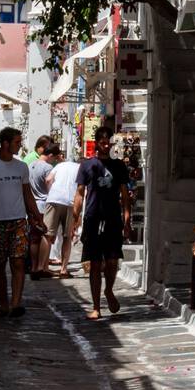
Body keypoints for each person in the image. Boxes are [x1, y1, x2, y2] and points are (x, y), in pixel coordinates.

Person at [71, 127, 131, 321]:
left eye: (109, 143)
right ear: (97, 143)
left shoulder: (119, 166)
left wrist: (127, 220)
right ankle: (96, 306)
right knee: (95, 263)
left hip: (113, 218)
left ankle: (109, 290)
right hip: (93, 218)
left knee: (112, 261)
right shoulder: (87, 165)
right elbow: (80, 193)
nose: (106, 146)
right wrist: (75, 218)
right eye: (103, 142)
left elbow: (124, 195)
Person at [0, 127, 46, 318]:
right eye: (17, 142)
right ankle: (4, 305)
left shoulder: (21, 167)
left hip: (19, 220)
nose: (20, 146)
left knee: (18, 263)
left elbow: (27, 194)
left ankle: (15, 304)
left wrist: (37, 217)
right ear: (5, 143)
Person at [43, 155, 79, 279]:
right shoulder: (79, 168)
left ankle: (43, 267)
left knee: (48, 235)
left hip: (53, 199)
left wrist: (50, 193)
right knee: (67, 236)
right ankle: (63, 270)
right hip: (70, 202)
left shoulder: (58, 166)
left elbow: (48, 180)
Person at [28, 141, 59, 278]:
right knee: (46, 237)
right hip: (44, 205)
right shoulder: (48, 168)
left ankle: (34, 267)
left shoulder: (30, 165)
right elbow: (51, 187)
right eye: (54, 158)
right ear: (50, 155)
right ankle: (43, 267)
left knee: (34, 238)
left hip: (32, 204)